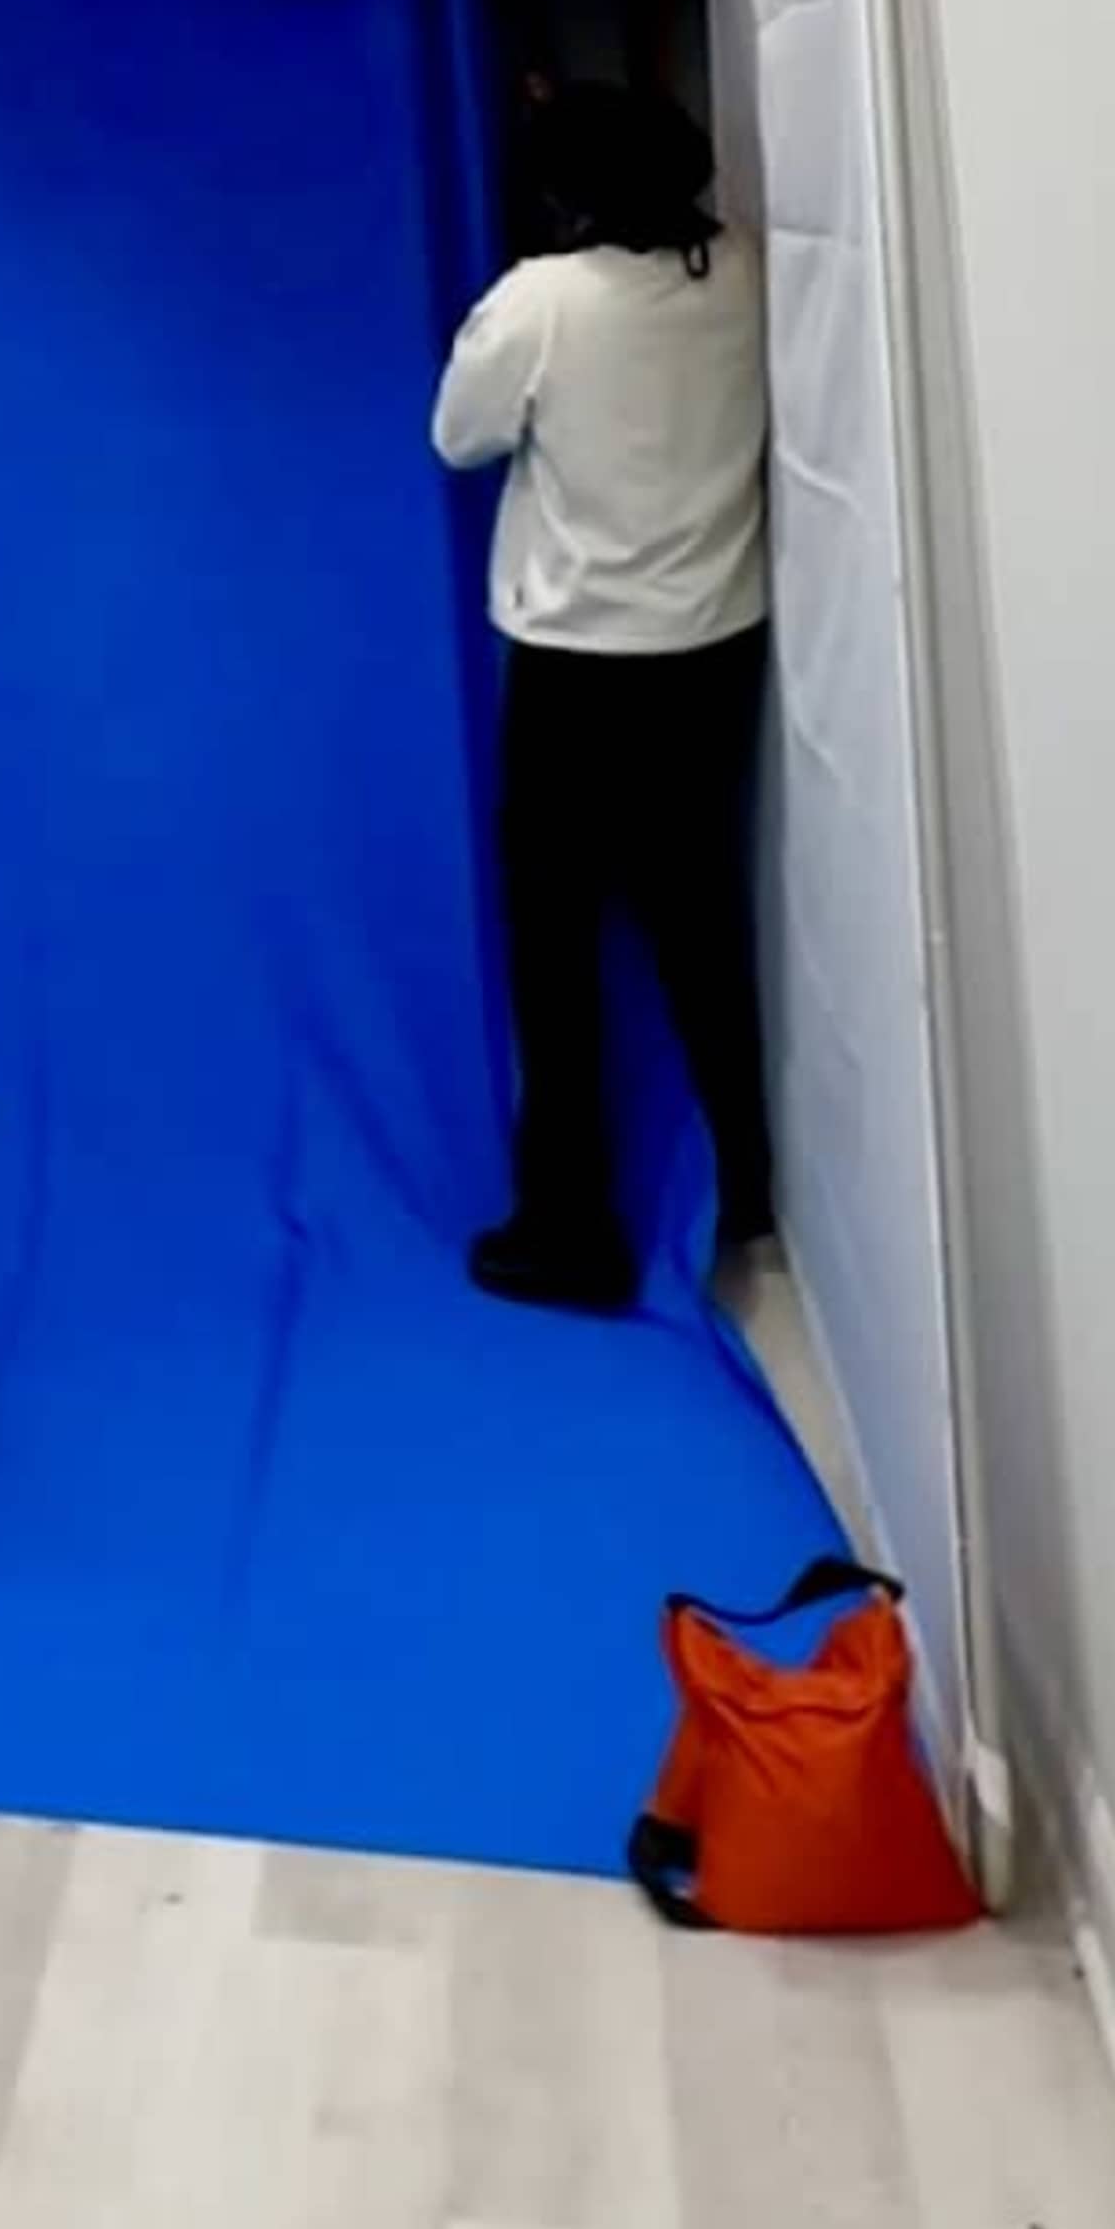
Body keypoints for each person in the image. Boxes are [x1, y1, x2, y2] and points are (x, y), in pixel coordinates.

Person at [433, 85, 774, 1316]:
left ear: (565, 195)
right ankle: (750, 1186)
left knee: (556, 954)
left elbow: (459, 435)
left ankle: (569, 1227)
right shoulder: (743, 274)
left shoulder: (542, 303)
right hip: (715, 652)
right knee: (702, 934)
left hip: (579, 668)